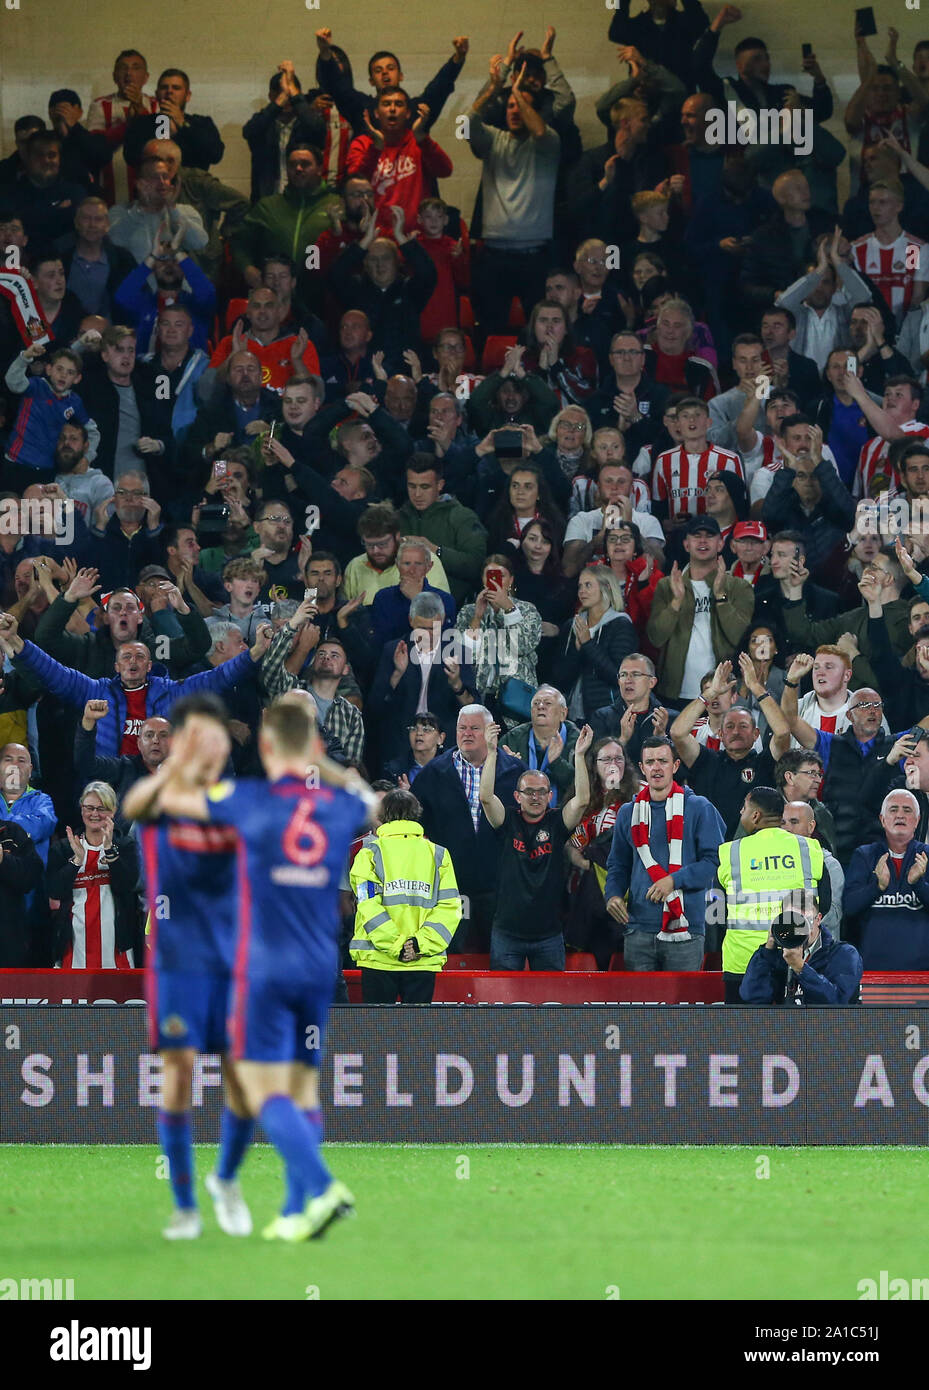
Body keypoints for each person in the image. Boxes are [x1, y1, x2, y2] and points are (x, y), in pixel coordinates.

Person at [139, 695, 372, 1241]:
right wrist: (326, 765)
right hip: (321, 966)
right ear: (315, 748)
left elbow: (175, 801)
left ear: (265, 747)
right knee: (304, 1090)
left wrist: (182, 762)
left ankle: (320, 1187)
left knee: (264, 1088)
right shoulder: (337, 807)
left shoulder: (249, 800)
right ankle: (295, 1211)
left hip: (263, 967)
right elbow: (368, 800)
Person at [604, 735, 726, 972]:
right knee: (641, 1008)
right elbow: (618, 864)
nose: (656, 767)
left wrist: (674, 881)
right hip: (638, 928)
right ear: (641, 768)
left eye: (663, 760)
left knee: (682, 1009)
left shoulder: (700, 807)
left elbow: (714, 862)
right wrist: (613, 895)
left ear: (676, 766)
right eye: (650, 762)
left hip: (686, 929)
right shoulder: (628, 812)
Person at [480, 719, 592, 970]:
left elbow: (583, 800)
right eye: (529, 791)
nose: (536, 797)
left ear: (550, 796)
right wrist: (490, 753)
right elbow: (486, 798)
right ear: (517, 796)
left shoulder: (557, 821)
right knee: (504, 1005)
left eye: (542, 791)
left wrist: (580, 756)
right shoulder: (507, 820)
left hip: (549, 934)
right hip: (507, 933)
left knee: (551, 1005)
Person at [413, 704, 524, 950]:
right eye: (462, 728)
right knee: (451, 958)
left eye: (475, 728)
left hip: (501, 887)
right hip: (449, 888)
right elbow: (415, 827)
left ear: (491, 731)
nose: (467, 733)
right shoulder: (434, 772)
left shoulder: (515, 771)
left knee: (499, 959)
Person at [468, 53, 561, 333]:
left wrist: (517, 91)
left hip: (535, 257)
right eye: (509, 106)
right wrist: (495, 88)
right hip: (494, 255)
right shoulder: (493, 139)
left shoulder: (548, 144)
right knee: (489, 328)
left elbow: (541, 131)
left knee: (539, 332)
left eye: (520, 106)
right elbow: (465, 124)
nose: (514, 111)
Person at [716, 784, 830, 1004]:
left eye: (744, 808)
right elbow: (823, 904)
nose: (741, 813)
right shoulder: (807, 848)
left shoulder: (731, 852)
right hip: (796, 958)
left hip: (743, 963)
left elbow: (715, 913)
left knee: (742, 1035)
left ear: (756, 815)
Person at [349, 787, 462, 1001]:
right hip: (422, 960)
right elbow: (449, 908)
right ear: (416, 812)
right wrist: (418, 945)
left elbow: (367, 906)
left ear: (381, 815)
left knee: (377, 1033)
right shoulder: (439, 855)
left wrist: (397, 945)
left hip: (378, 959)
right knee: (416, 1034)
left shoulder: (368, 855)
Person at [670, 656, 790, 835]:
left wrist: (755, 687)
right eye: (729, 727)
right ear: (720, 734)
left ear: (756, 734)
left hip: (753, 848)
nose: (735, 732)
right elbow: (677, 733)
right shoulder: (707, 760)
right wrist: (710, 693)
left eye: (743, 726)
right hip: (709, 847)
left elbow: (782, 733)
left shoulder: (764, 762)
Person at [646, 516, 755, 703]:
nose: (703, 541)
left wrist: (721, 595)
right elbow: (656, 637)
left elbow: (741, 639)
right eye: (697, 535)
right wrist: (676, 602)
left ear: (721, 544)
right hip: (674, 693)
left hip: (722, 693)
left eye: (709, 536)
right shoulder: (667, 585)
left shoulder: (739, 587)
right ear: (686, 544)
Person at [45, 780, 142, 968]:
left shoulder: (125, 846)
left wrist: (110, 852)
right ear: (81, 809)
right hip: (72, 949)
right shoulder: (64, 848)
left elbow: (127, 885)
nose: (95, 814)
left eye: (102, 808)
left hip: (117, 949)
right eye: (89, 807)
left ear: (113, 811)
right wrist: (76, 861)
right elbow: (55, 890)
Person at [844, 789, 929, 970]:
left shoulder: (927, 856)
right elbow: (849, 907)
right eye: (893, 809)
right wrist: (877, 886)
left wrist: (919, 884)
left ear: (917, 821)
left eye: (907, 810)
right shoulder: (865, 855)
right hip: (872, 969)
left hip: (922, 971)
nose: (900, 815)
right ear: (882, 820)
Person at [454, 554, 541, 713]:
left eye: (501, 576)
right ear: (483, 579)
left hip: (515, 697)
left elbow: (521, 647)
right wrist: (477, 617)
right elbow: (464, 656)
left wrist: (508, 609)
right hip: (479, 697)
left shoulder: (528, 610)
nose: (495, 580)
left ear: (511, 580)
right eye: (490, 575)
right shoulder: (468, 612)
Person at [738, 898, 863, 1007]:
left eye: (805, 922)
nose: (799, 929)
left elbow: (838, 1003)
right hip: (788, 1029)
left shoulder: (844, 954)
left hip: (831, 1030)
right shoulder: (780, 956)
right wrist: (769, 947)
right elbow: (752, 997)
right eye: (792, 921)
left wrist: (801, 968)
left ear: (818, 919)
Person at [552, 567, 636, 723]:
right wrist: (577, 651)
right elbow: (560, 677)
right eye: (580, 586)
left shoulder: (621, 625)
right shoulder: (573, 625)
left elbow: (618, 676)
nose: (582, 591)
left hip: (606, 713)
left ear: (607, 587)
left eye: (588, 585)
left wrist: (587, 644)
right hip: (571, 713)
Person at [501, 686, 579, 806]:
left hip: (565, 816)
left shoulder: (579, 742)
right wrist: (512, 770)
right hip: (520, 816)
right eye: (536, 703)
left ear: (563, 713)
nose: (541, 706)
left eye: (548, 703)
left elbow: (584, 787)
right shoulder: (512, 739)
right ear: (531, 711)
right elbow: (495, 783)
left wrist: (556, 763)